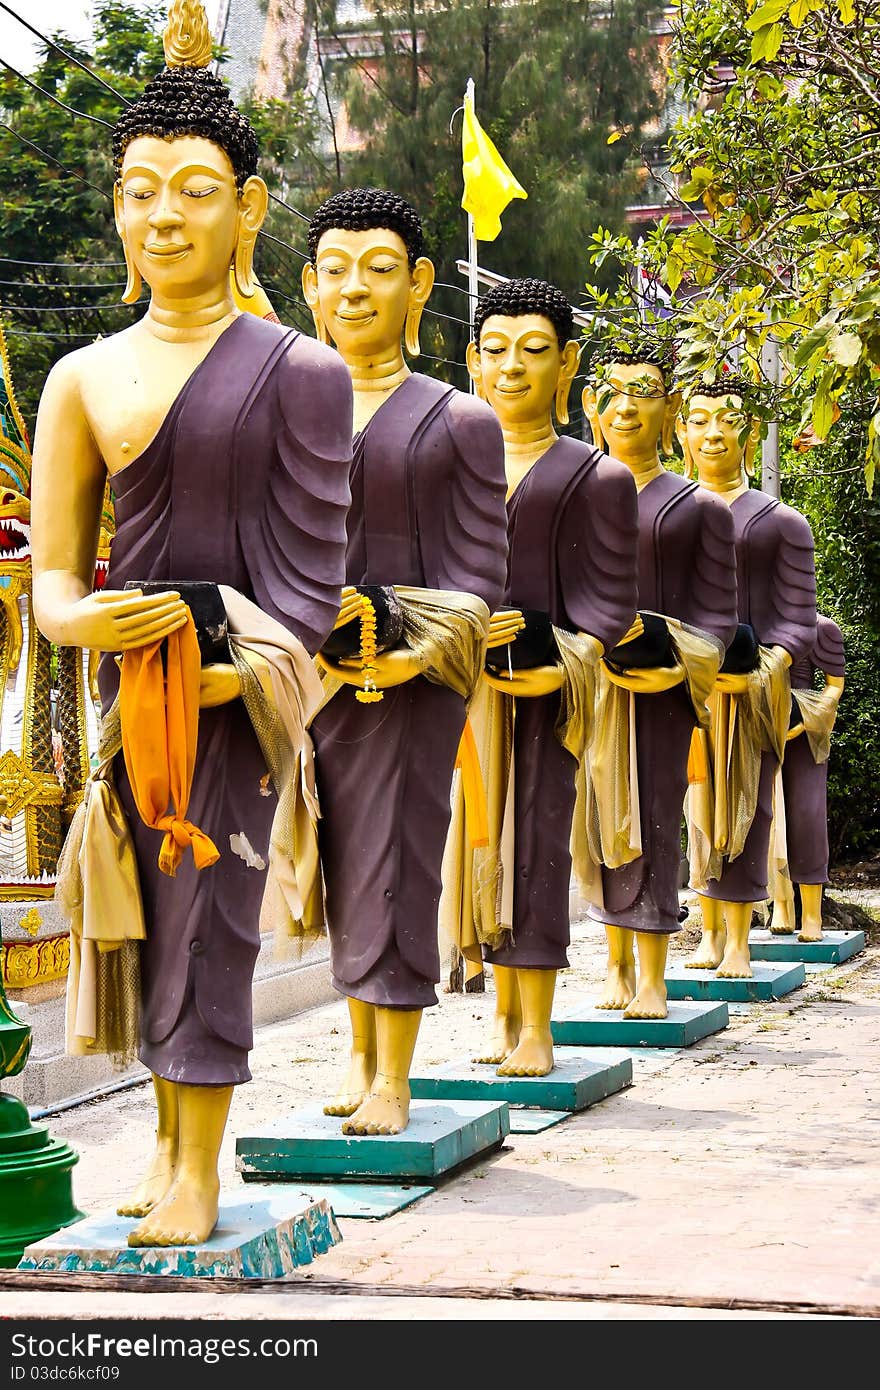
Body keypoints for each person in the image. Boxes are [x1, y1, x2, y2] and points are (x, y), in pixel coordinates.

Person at [29, 0, 353, 1246]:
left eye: (195, 191)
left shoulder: (301, 372)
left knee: (209, 917)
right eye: (139, 191)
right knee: (137, 915)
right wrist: (84, 624)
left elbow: (314, 584)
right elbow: (55, 578)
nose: (163, 217)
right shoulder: (81, 377)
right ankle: (166, 1142)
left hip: (235, 695)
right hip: (132, 696)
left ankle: (199, 1168)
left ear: (250, 209)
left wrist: (236, 676)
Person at [302, 187, 509, 1134]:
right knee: (338, 861)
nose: (355, 290)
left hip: (413, 680)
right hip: (310, 676)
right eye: (335, 270)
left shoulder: (458, 421)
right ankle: (356, 1045)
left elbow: (479, 574)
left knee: (398, 861)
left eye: (379, 269)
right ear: (307, 287)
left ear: (419, 284)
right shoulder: (285, 413)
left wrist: (397, 629)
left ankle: (396, 1072)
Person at [459, 278, 638, 1074]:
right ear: (471, 360)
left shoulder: (593, 478)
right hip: (458, 689)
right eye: (494, 350)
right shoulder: (444, 464)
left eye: (534, 351)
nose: (512, 368)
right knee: (469, 848)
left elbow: (609, 607)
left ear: (567, 364)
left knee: (533, 846)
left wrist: (563, 662)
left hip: (544, 693)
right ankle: (496, 1011)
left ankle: (537, 1023)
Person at [582, 341, 738, 1017]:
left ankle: (652, 971)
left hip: (663, 689)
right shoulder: (573, 494)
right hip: (587, 686)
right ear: (593, 403)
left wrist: (677, 662)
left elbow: (718, 614)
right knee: (591, 821)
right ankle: (611, 961)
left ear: (669, 407)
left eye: (642, 391)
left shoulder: (698, 507)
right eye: (613, 391)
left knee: (651, 817)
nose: (626, 407)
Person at [679, 379, 816, 976]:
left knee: (749, 808)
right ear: (680, 430)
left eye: (728, 420)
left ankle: (739, 936)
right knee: (693, 808)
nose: (714, 432)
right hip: (683, 686)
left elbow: (798, 616)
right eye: (700, 419)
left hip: (753, 689)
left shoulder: (780, 522)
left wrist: (771, 666)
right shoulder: (664, 511)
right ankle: (705, 925)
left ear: (750, 432)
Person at [770, 615, 845, 941]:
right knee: (768, 816)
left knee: (807, 814)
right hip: (761, 727)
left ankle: (812, 914)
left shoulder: (822, 628)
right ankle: (780, 903)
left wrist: (804, 719)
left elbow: (834, 685)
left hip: (807, 733)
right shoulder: (754, 622)